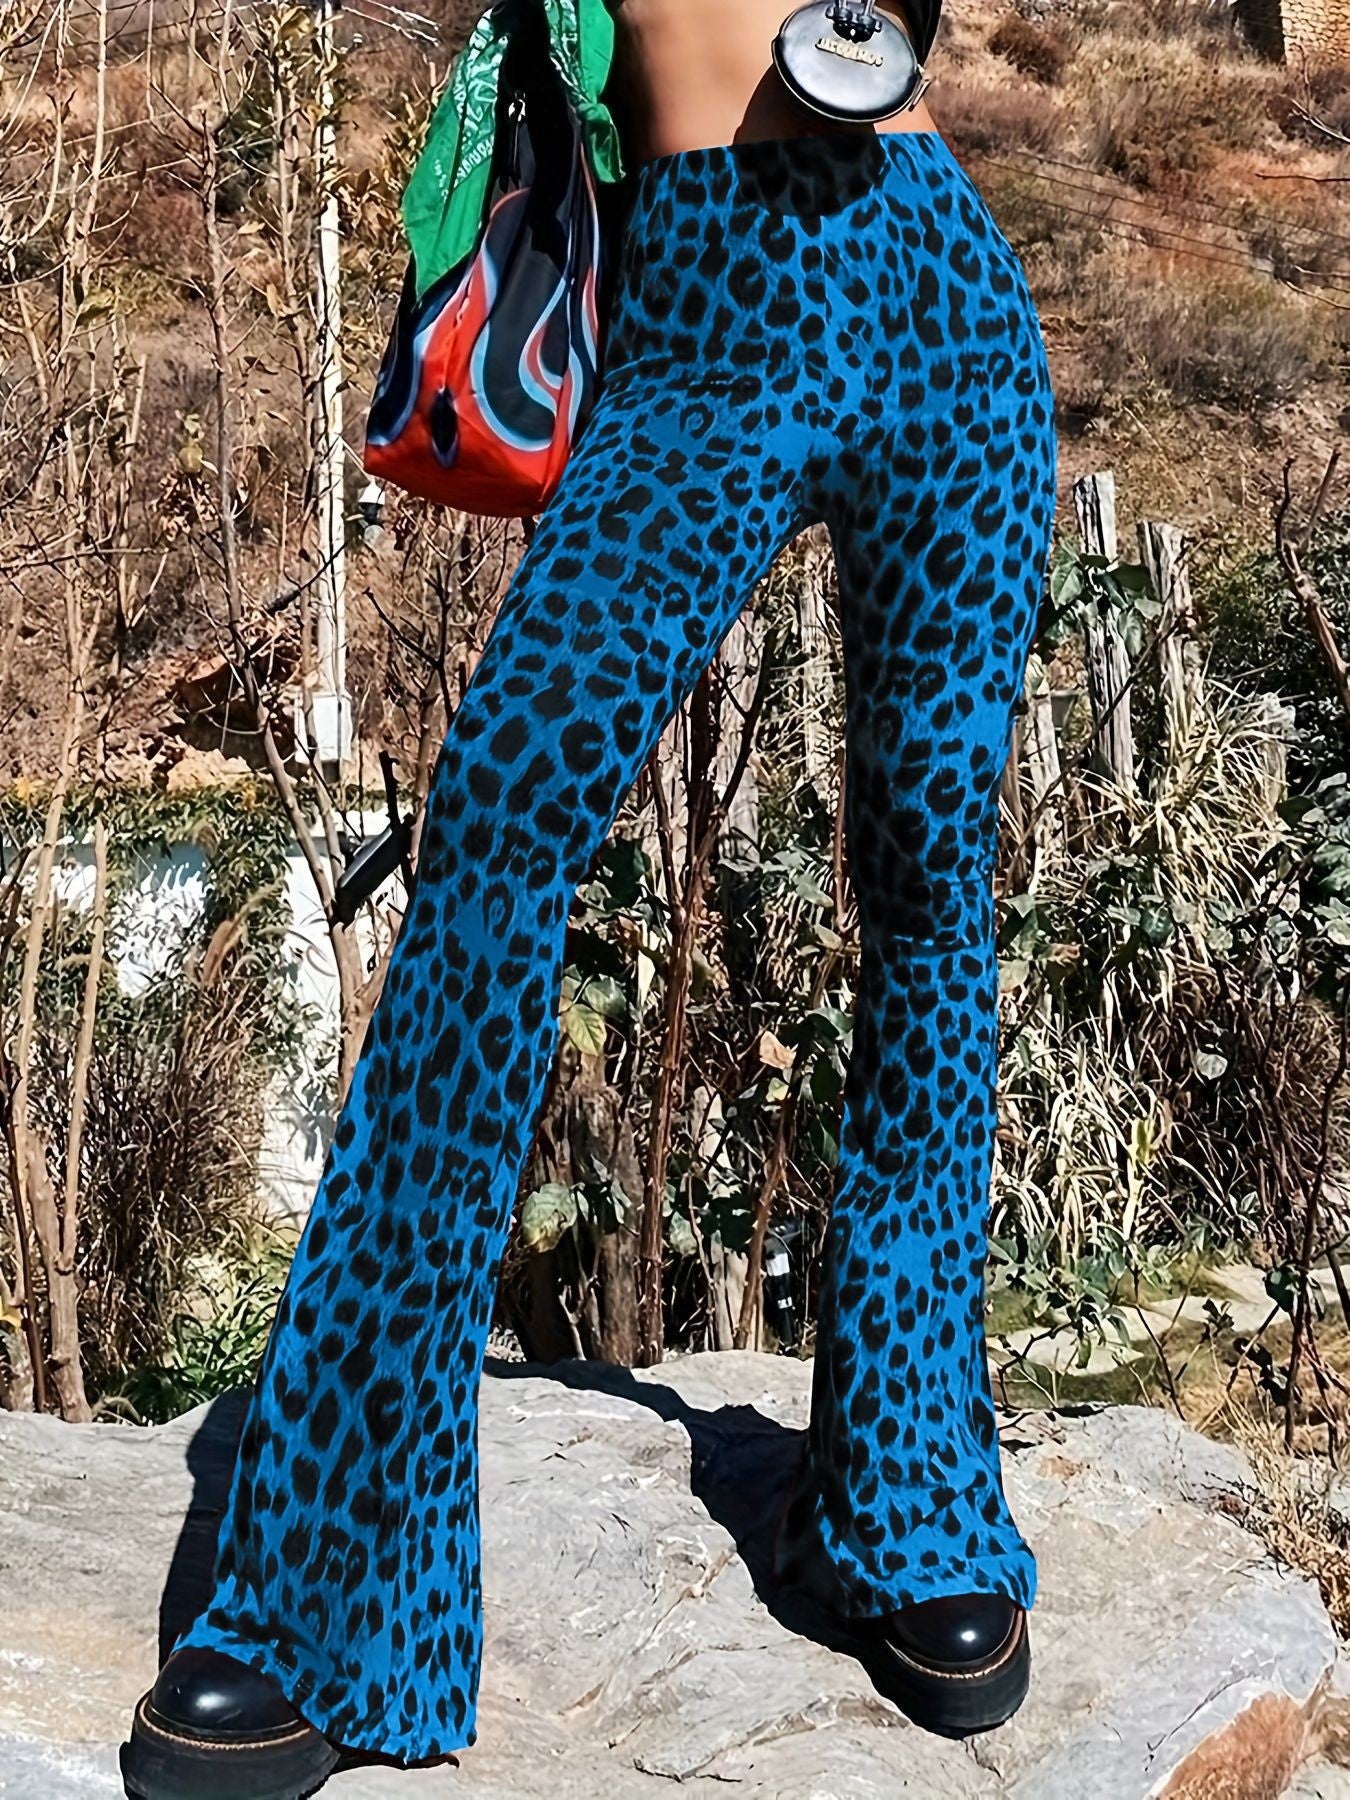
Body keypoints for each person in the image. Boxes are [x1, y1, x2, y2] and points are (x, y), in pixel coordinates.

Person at [121, 0, 1057, 1791]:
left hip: (938, 282)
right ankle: (331, 1594)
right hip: (703, 309)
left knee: (932, 869)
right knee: (495, 829)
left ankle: (911, 1498)